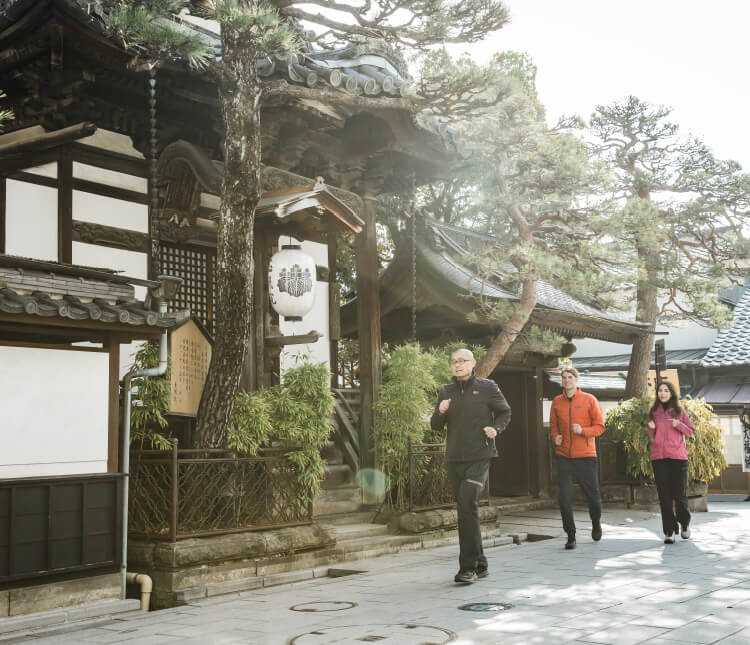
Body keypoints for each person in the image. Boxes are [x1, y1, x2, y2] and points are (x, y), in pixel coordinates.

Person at [430, 348, 511, 584]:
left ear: (472, 363)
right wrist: (440, 411)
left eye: (462, 361)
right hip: (454, 458)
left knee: (466, 505)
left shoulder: (487, 387)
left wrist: (495, 429)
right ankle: (481, 563)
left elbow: (505, 412)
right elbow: (436, 425)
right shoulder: (446, 391)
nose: (457, 365)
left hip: (479, 456)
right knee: (467, 510)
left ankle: (467, 568)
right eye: (454, 361)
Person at [550, 366, 606, 550]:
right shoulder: (557, 401)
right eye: (564, 377)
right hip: (564, 456)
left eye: (570, 377)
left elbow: (600, 427)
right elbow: (553, 426)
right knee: (564, 498)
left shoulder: (589, 399)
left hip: (586, 456)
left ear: (576, 379)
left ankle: (596, 524)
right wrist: (555, 437)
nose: (567, 380)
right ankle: (571, 535)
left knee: (593, 497)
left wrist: (583, 431)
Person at [647, 380, 695, 544]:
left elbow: (690, 431)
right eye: (660, 390)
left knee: (679, 495)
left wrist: (678, 424)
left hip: (678, 458)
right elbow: (652, 435)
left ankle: (685, 524)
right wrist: (651, 427)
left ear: (671, 393)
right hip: (659, 458)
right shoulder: (654, 411)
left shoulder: (679, 410)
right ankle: (669, 531)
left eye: (666, 390)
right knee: (664, 496)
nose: (662, 393)